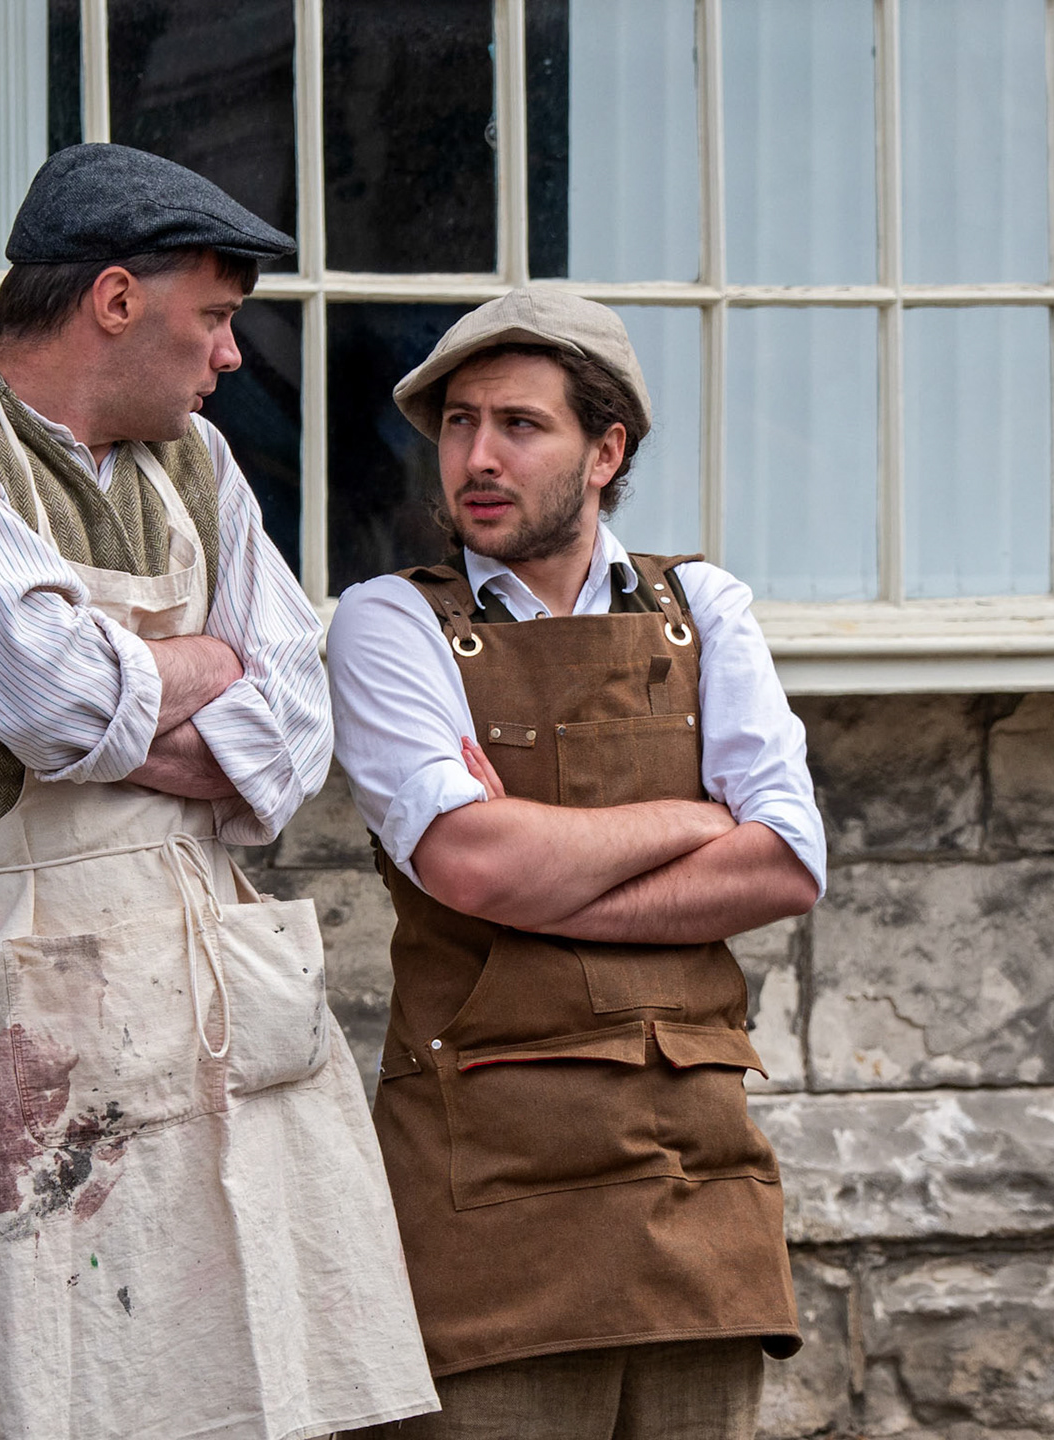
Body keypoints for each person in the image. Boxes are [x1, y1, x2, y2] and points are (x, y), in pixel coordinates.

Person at [0, 144, 435, 1440]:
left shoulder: (195, 465)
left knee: (238, 1367)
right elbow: (50, 696)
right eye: (214, 317)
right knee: (15, 1376)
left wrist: (133, 702)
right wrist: (206, 665)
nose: (231, 359)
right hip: (11, 1006)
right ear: (115, 300)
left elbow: (295, 720)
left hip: (202, 981)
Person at [326, 287, 827, 1440]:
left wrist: (544, 873)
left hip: (696, 1187)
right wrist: (697, 818)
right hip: (490, 1198)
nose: (477, 457)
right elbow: (475, 864)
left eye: (519, 425)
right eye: (458, 424)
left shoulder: (704, 606)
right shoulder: (388, 624)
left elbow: (789, 862)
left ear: (607, 451)